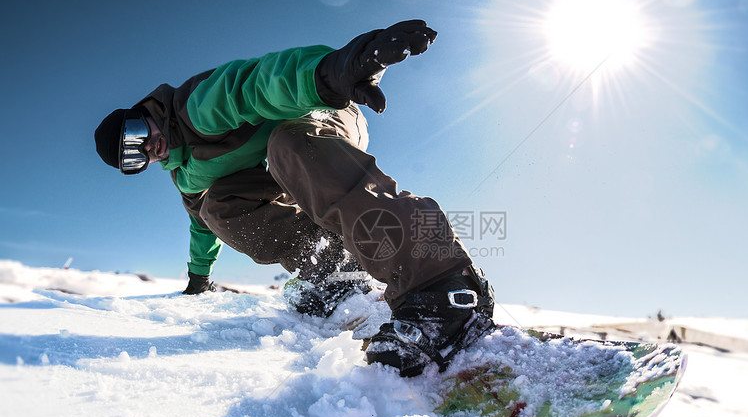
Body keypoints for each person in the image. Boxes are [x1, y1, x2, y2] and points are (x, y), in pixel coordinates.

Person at [93, 20, 494, 377]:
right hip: (282, 164)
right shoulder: (185, 175)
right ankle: (333, 268)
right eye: (134, 158)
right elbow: (202, 227)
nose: (146, 148)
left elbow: (255, 85)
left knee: (287, 142)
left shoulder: (192, 108)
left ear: (141, 112)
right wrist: (199, 278)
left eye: (135, 135)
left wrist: (333, 72)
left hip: (318, 104)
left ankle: (444, 287)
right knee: (218, 207)